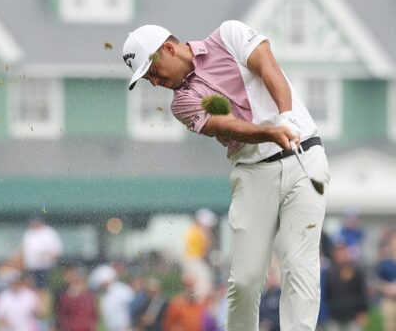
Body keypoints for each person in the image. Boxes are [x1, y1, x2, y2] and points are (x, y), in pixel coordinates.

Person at [122, 20, 330, 331]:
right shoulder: (181, 103)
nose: (154, 83)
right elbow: (227, 125)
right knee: (246, 279)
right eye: (147, 78)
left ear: (168, 49)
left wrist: (286, 116)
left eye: (152, 71)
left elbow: (267, 65)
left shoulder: (228, 35)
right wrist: (270, 132)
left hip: (305, 157)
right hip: (253, 172)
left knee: (299, 265)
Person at [324, 239, 368, 331]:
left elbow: (361, 291)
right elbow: (326, 293)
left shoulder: (355, 271)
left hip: (353, 316)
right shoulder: (328, 272)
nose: (341, 254)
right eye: (338, 251)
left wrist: (363, 312)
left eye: (343, 250)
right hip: (334, 316)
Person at [22, 215, 63, 291]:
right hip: (31, 267)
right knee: (33, 289)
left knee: (45, 289)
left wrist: (46, 256)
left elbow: (57, 251)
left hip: (46, 267)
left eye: (36, 221)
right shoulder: (28, 233)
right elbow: (25, 250)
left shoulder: (49, 232)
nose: (34, 223)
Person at [184, 208, 217, 301]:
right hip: (194, 259)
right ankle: (200, 303)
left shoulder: (194, 230)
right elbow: (205, 249)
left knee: (201, 284)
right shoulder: (198, 232)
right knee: (203, 284)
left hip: (193, 260)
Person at [56, 267, 98, 331]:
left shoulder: (89, 297)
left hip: (86, 327)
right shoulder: (66, 298)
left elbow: (93, 315)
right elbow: (61, 315)